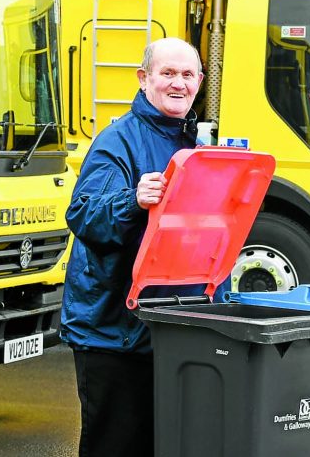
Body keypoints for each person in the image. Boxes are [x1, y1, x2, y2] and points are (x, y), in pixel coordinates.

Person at [60, 37, 204, 457]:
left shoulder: (193, 143)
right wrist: (132, 199)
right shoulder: (117, 141)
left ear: (199, 81)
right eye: (167, 73)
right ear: (144, 80)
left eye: (187, 74)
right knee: (116, 446)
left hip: (170, 325)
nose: (178, 83)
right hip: (112, 332)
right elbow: (84, 215)